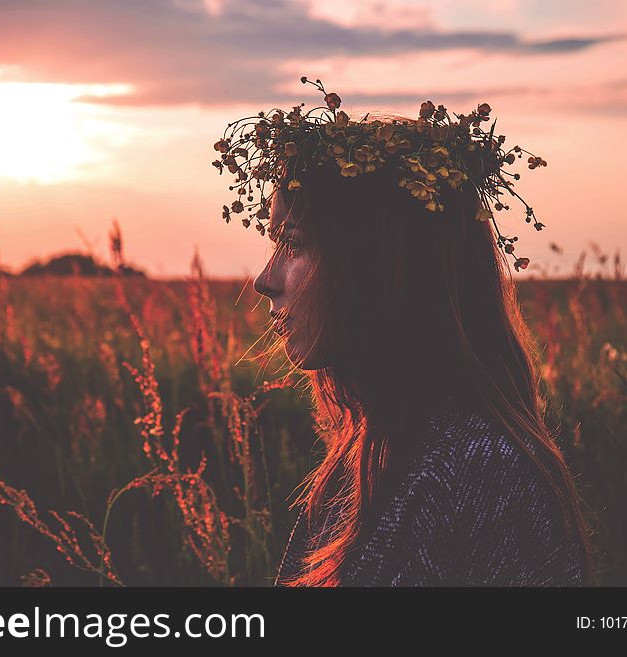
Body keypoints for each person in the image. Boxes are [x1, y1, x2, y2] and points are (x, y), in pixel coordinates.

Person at [212, 77, 597, 586]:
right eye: (274, 241)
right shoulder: (370, 453)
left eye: (296, 243)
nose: (264, 280)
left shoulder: (481, 475)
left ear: (379, 268)